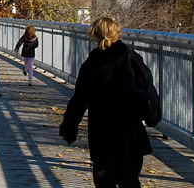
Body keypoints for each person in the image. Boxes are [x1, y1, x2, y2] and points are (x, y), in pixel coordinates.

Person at [59, 16, 154, 188]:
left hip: (102, 133)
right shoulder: (132, 59)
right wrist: (150, 115)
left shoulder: (91, 65)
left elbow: (79, 100)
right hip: (129, 133)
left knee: (104, 180)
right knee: (129, 180)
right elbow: (147, 88)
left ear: (94, 35)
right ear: (117, 33)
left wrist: (69, 126)